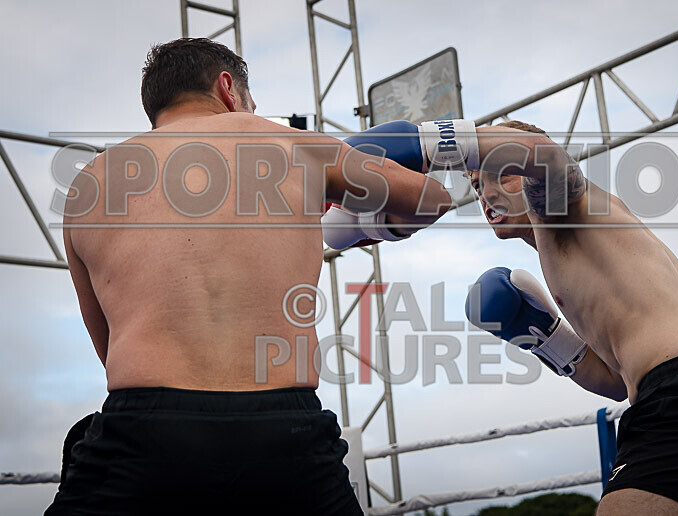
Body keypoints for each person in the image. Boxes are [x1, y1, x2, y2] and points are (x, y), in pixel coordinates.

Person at [49, 38, 456, 515]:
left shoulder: (88, 185)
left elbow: (107, 343)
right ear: (228, 88)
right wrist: (355, 223)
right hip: (286, 432)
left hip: (143, 430)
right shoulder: (292, 145)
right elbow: (432, 199)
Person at [464, 121, 678, 515]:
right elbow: (618, 382)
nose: (486, 192)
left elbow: (544, 156)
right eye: (476, 184)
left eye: (502, 173)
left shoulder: (568, 207)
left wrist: (437, 142)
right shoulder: (568, 255)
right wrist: (546, 337)